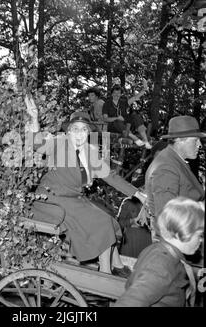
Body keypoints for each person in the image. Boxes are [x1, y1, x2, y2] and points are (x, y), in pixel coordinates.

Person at [24, 95, 146, 277]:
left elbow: (111, 177)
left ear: (88, 132)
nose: (79, 134)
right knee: (101, 223)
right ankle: (105, 274)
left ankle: (117, 264)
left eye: (84, 130)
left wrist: (138, 194)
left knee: (110, 220)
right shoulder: (59, 143)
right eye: (75, 129)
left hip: (73, 200)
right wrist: (34, 119)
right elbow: (36, 142)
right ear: (69, 131)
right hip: (51, 200)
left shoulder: (89, 152)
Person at [114, 197, 204, 307]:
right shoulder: (161, 264)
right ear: (181, 232)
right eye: (199, 235)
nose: (201, 240)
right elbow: (129, 302)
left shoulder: (167, 254)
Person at [145, 115, 206, 240]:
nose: (200, 145)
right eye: (195, 140)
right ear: (180, 140)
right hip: (178, 242)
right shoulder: (166, 168)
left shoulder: (174, 160)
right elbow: (167, 216)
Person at [102, 81, 152, 149]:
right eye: (115, 93)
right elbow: (105, 119)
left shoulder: (123, 102)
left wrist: (144, 89)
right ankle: (135, 139)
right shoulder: (107, 104)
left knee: (135, 116)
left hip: (126, 125)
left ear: (120, 94)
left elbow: (135, 97)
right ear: (112, 94)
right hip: (113, 126)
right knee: (117, 122)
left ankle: (145, 140)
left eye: (118, 93)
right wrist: (116, 118)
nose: (116, 95)